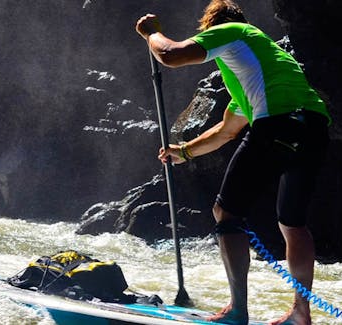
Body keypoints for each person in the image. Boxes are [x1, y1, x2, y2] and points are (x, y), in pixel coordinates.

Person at [136, 1, 330, 324]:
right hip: (314, 129)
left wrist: (151, 33)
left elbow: (170, 54)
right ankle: (301, 313)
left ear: (212, 27)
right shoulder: (261, 65)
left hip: (279, 124)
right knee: (292, 224)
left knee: (226, 212)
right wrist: (183, 152)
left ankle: (237, 311)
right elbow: (226, 132)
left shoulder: (230, 32)